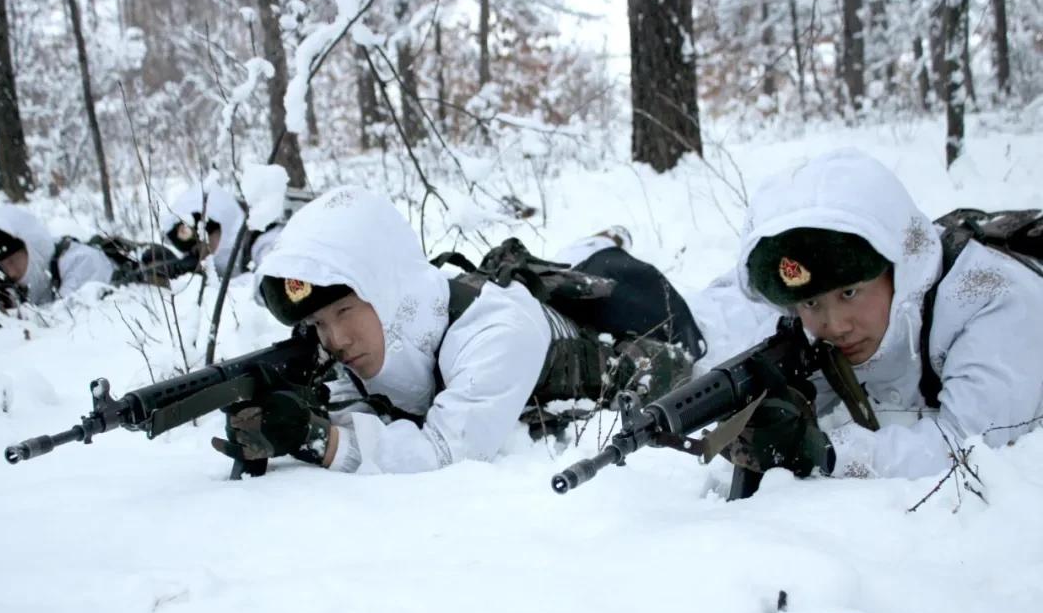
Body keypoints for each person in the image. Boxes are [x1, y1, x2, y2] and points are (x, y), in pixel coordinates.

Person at [210, 186, 705, 474]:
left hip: (626, 354)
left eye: (344, 312)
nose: (334, 340)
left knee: (684, 340)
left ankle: (607, 241)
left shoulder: (495, 334)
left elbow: (444, 453)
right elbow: (359, 409)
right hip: (514, 308)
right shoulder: (369, 335)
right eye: (318, 322)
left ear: (387, 292)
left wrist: (321, 441)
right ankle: (596, 242)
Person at [715, 148, 1043, 480]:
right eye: (811, 303)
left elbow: (968, 446)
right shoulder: (833, 323)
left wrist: (826, 452)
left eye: (849, 293)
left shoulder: (992, 302)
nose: (837, 326)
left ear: (900, 270)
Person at [0, 204, 181, 309]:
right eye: (3, 266)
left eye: (13, 261)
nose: (10, 272)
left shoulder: (79, 262)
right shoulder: (40, 277)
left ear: (32, 249)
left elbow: (64, 323)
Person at [163, 183, 292, 276]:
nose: (204, 257)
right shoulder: (233, 259)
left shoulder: (265, 244)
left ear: (222, 226)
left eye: (206, 246)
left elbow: (269, 286)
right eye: (196, 253)